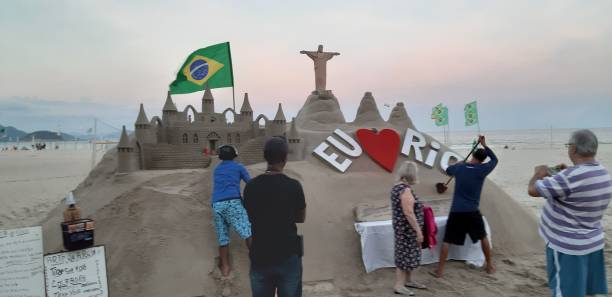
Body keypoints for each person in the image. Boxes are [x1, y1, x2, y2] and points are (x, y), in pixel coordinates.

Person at [528, 129, 611, 297]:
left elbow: (532, 190)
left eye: (568, 146)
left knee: (565, 292)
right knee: (587, 291)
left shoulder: (568, 177)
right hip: (593, 242)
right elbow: (578, 185)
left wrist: (539, 173)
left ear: (573, 149)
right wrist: (567, 172)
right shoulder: (603, 172)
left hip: (568, 247)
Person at [243, 137, 306, 297]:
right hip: (288, 255)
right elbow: (301, 217)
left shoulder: (250, 187)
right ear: (285, 158)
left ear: (265, 157)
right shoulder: (294, 186)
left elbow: (248, 217)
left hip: (260, 255)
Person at [434, 135, 497, 277]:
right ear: (483, 160)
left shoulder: (460, 168)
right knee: (483, 237)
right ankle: (490, 266)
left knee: (447, 240)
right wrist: (485, 145)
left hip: (457, 211)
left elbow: (448, 170)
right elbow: (495, 160)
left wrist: (459, 163)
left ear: (473, 155)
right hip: (472, 211)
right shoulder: (482, 170)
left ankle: (440, 271)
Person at [211, 144, 252, 277]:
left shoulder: (217, 170)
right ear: (235, 155)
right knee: (247, 232)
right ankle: (258, 260)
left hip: (217, 204)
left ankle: (225, 268)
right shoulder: (238, 167)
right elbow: (250, 183)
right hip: (232, 202)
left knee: (223, 237)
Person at [391, 161, 426, 295]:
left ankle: (409, 280)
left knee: (408, 256)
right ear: (412, 175)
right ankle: (399, 285)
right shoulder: (405, 190)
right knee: (404, 257)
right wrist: (418, 231)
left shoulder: (396, 187)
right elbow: (408, 212)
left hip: (402, 229)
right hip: (407, 231)